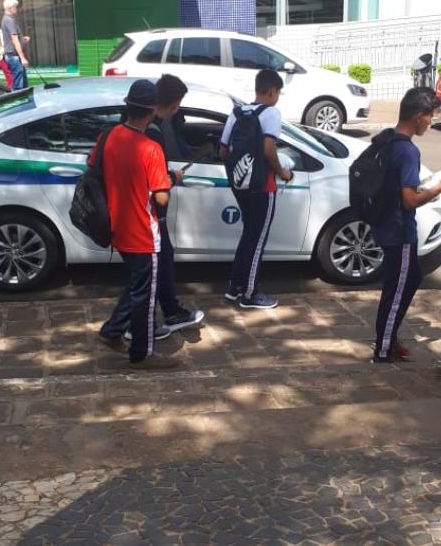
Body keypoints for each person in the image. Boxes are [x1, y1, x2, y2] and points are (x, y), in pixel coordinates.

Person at [95, 80, 176, 367]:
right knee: (146, 295)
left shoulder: (109, 136)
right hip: (144, 231)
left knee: (137, 286)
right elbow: (162, 198)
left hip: (117, 226)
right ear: (152, 110)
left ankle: (111, 331)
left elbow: (97, 169)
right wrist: (169, 181)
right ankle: (142, 354)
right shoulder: (150, 149)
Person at [371, 88, 441, 364]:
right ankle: (383, 349)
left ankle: (389, 335)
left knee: (410, 278)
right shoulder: (408, 151)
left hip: (384, 224)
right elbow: (408, 201)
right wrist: (439, 188)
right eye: (430, 117)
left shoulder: (386, 140)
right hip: (399, 230)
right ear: (419, 116)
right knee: (397, 289)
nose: (430, 123)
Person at [219, 69, 293, 310]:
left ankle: (234, 287)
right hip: (263, 186)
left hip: (240, 185)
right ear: (272, 91)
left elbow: (222, 151)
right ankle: (250, 294)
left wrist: (241, 169)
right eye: (278, 93)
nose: (277, 97)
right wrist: (282, 172)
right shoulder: (271, 113)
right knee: (258, 239)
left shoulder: (237, 112)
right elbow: (269, 149)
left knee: (249, 235)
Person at [143, 74, 205, 333]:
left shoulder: (140, 125)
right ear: (175, 104)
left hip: (142, 211)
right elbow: (156, 183)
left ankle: (167, 312)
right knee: (156, 267)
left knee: (158, 265)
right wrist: (172, 178)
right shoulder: (153, 133)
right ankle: (137, 324)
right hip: (152, 212)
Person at [1, 0, 30, 91]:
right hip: (14, 57)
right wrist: (22, 58)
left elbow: (14, 38)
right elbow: (14, 39)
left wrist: (23, 39)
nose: (17, 9)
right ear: (10, 8)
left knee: (23, 86)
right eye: (15, 7)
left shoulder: (7, 19)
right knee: (19, 87)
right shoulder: (9, 20)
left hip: (13, 57)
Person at [0, 16, 13, 88]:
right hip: (4, 56)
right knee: (10, 75)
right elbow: (4, 45)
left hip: (1, 57)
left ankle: (11, 89)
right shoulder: (2, 33)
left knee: (9, 75)